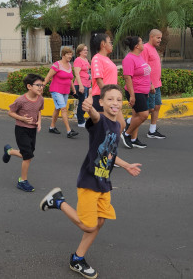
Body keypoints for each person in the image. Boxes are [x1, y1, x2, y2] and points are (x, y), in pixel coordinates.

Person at [39, 84, 142, 279]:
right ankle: (57, 201)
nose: (115, 103)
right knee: (88, 226)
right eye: (110, 99)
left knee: (100, 222)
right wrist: (91, 108)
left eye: (119, 100)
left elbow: (110, 154)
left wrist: (127, 165)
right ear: (101, 102)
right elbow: (95, 117)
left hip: (103, 182)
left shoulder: (116, 126)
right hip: (89, 180)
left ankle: (77, 259)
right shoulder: (101, 121)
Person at [2, 74, 44, 192]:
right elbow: (10, 112)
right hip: (21, 129)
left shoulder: (40, 98)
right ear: (29, 86)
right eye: (38, 85)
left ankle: (9, 151)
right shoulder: (21, 100)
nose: (41, 87)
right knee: (28, 156)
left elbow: (39, 111)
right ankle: (22, 181)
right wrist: (22, 119)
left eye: (42, 85)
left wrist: (39, 122)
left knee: (28, 153)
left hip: (32, 130)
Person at [90, 33, 126, 132]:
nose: (112, 45)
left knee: (121, 124)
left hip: (112, 98)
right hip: (102, 98)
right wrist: (109, 96)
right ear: (103, 44)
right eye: (110, 42)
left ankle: (108, 146)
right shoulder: (97, 59)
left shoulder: (107, 59)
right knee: (104, 130)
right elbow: (99, 81)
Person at [121, 36, 151, 149]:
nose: (143, 43)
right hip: (135, 91)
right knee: (144, 115)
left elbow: (145, 73)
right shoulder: (129, 59)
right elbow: (127, 78)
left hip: (142, 91)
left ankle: (134, 139)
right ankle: (126, 134)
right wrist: (132, 95)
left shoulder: (139, 57)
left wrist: (149, 86)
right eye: (141, 42)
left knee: (136, 115)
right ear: (136, 46)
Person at [137, 29, 166, 139]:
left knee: (157, 106)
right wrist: (149, 83)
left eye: (160, 38)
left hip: (157, 84)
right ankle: (129, 124)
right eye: (158, 38)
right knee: (148, 109)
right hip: (150, 85)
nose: (160, 40)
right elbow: (143, 67)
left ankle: (152, 131)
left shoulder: (154, 49)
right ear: (151, 37)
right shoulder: (145, 49)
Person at [44, 46, 79, 138]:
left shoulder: (69, 65)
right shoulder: (57, 64)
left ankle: (52, 127)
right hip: (56, 90)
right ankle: (69, 131)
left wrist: (74, 89)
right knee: (63, 109)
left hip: (65, 91)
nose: (70, 56)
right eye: (68, 54)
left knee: (58, 108)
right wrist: (42, 86)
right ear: (63, 55)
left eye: (71, 55)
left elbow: (69, 78)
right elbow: (48, 76)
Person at [73, 43, 91, 127]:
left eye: (87, 50)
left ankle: (79, 115)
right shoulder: (78, 60)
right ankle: (80, 121)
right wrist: (80, 86)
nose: (86, 51)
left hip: (87, 84)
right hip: (81, 84)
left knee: (86, 102)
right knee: (82, 102)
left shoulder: (86, 60)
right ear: (79, 51)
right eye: (84, 50)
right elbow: (77, 73)